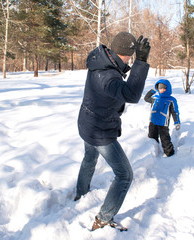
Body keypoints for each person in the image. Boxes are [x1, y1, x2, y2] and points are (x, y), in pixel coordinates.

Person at [75, 32, 151, 231]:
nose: (132, 58)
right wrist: (141, 62)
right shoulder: (108, 75)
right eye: (132, 55)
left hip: (87, 123)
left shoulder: (100, 60)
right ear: (127, 54)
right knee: (124, 175)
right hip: (100, 131)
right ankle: (103, 218)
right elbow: (131, 94)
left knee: (89, 159)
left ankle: (81, 194)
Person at [144, 79, 180, 157]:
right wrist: (153, 90)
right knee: (152, 137)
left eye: (164, 88)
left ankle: (170, 154)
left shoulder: (171, 100)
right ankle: (154, 151)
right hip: (153, 122)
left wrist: (177, 122)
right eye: (160, 88)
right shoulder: (155, 98)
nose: (162, 90)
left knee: (165, 140)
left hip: (163, 124)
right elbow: (146, 98)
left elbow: (175, 112)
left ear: (168, 88)